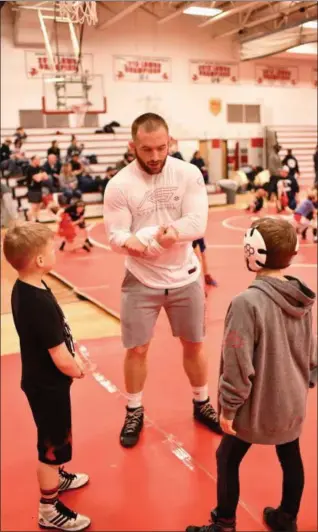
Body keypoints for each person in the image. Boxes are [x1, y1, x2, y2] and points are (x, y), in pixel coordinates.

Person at [186, 217, 317, 532]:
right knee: (290, 455)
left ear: (251, 251)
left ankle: (225, 522)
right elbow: (311, 347)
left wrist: (229, 406)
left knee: (227, 457)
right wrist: (307, 379)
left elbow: (237, 361)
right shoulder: (301, 297)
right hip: (292, 399)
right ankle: (286, 517)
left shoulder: (247, 303)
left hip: (255, 405)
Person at [103, 112, 222, 448]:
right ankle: (134, 409)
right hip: (141, 278)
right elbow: (115, 236)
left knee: (195, 343)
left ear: (170, 142)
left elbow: (197, 223)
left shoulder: (187, 173)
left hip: (185, 276)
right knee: (137, 348)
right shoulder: (120, 185)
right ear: (132, 146)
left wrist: (158, 235)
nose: (155, 156)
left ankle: (201, 402)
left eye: (160, 147)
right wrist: (131, 242)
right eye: (146, 149)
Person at [3, 222, 91, 531]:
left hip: (45, 383)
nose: (55, 252)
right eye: (51, 249)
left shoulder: (29, 286)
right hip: (47, 385)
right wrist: (77, 368)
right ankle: (49, 507)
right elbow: (57, 354)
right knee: (52, 445)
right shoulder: (35, 301)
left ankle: (59, 474)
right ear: (39, 260)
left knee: (56, 437)